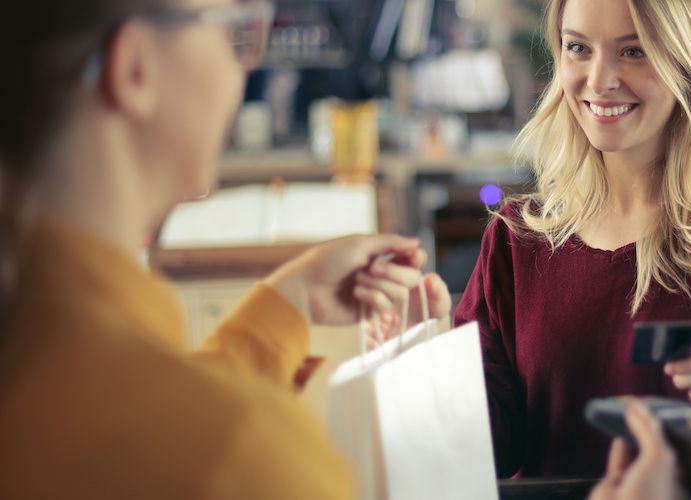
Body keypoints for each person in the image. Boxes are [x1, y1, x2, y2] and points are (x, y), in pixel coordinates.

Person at [0, 0, 451, 497]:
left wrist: (289, 304)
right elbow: (193, 437)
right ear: (135, 68)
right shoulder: (242, 457)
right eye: (233, 33)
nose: (245, 66)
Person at [455, 0, 691, 478]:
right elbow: (493, 448)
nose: (598, 80)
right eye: (578, 48)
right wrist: (423, 369)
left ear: (688, 60)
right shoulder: (517, 237)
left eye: (634, 52)